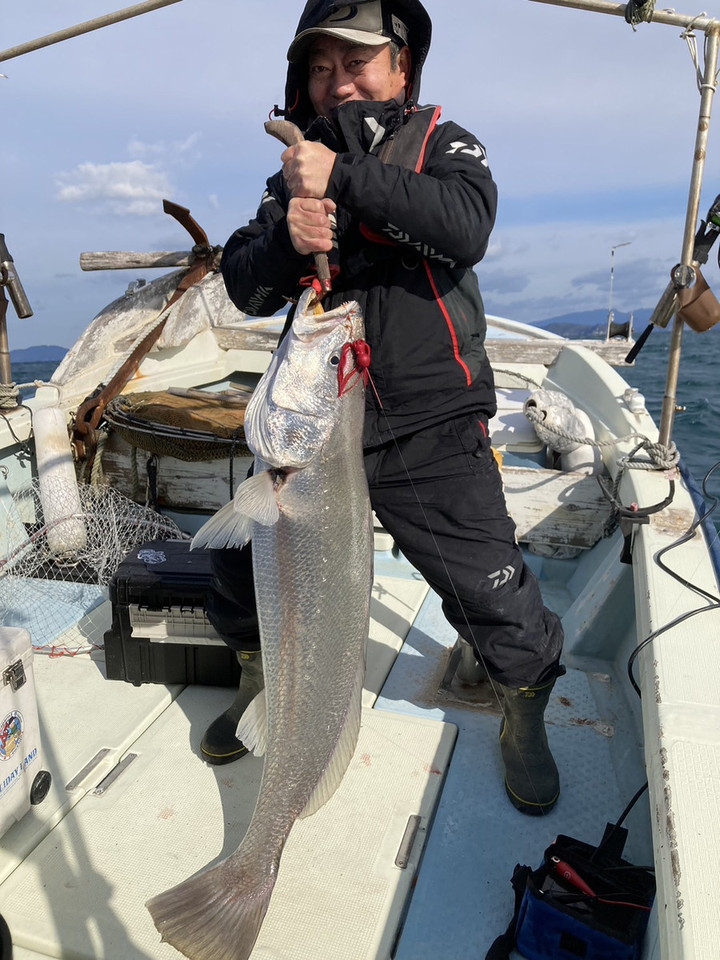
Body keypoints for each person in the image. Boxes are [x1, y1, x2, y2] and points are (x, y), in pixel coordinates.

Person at [208, 0, 565, 815]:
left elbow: (465, 225)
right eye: (320, 67)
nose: (337, 82)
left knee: (490, 586)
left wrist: (345, 180)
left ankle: (524, 703)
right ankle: (263, 681)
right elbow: (244, 283)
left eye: (358, 61)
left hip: (426, 420)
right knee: (236, 567)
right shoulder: (290, 174)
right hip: (311, 428)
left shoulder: (443, 141)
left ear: (403, 69)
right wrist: (284, 240)